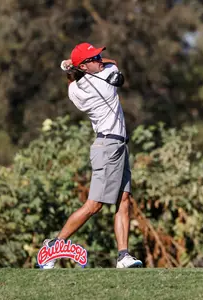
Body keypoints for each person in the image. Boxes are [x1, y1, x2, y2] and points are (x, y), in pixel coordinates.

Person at [41, 42, 142, 269]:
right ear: (85, 67)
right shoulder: (107, 80)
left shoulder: (75, 90)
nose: (99, 58)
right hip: (108, 147)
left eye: (98, 55)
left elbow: (73, 82)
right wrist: (72, 66)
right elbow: (113, 63)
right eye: (94, 57)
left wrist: (70, 68)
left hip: (116, 146)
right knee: (94, 205)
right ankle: (53, 248)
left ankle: (123, 256)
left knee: (123, 200)